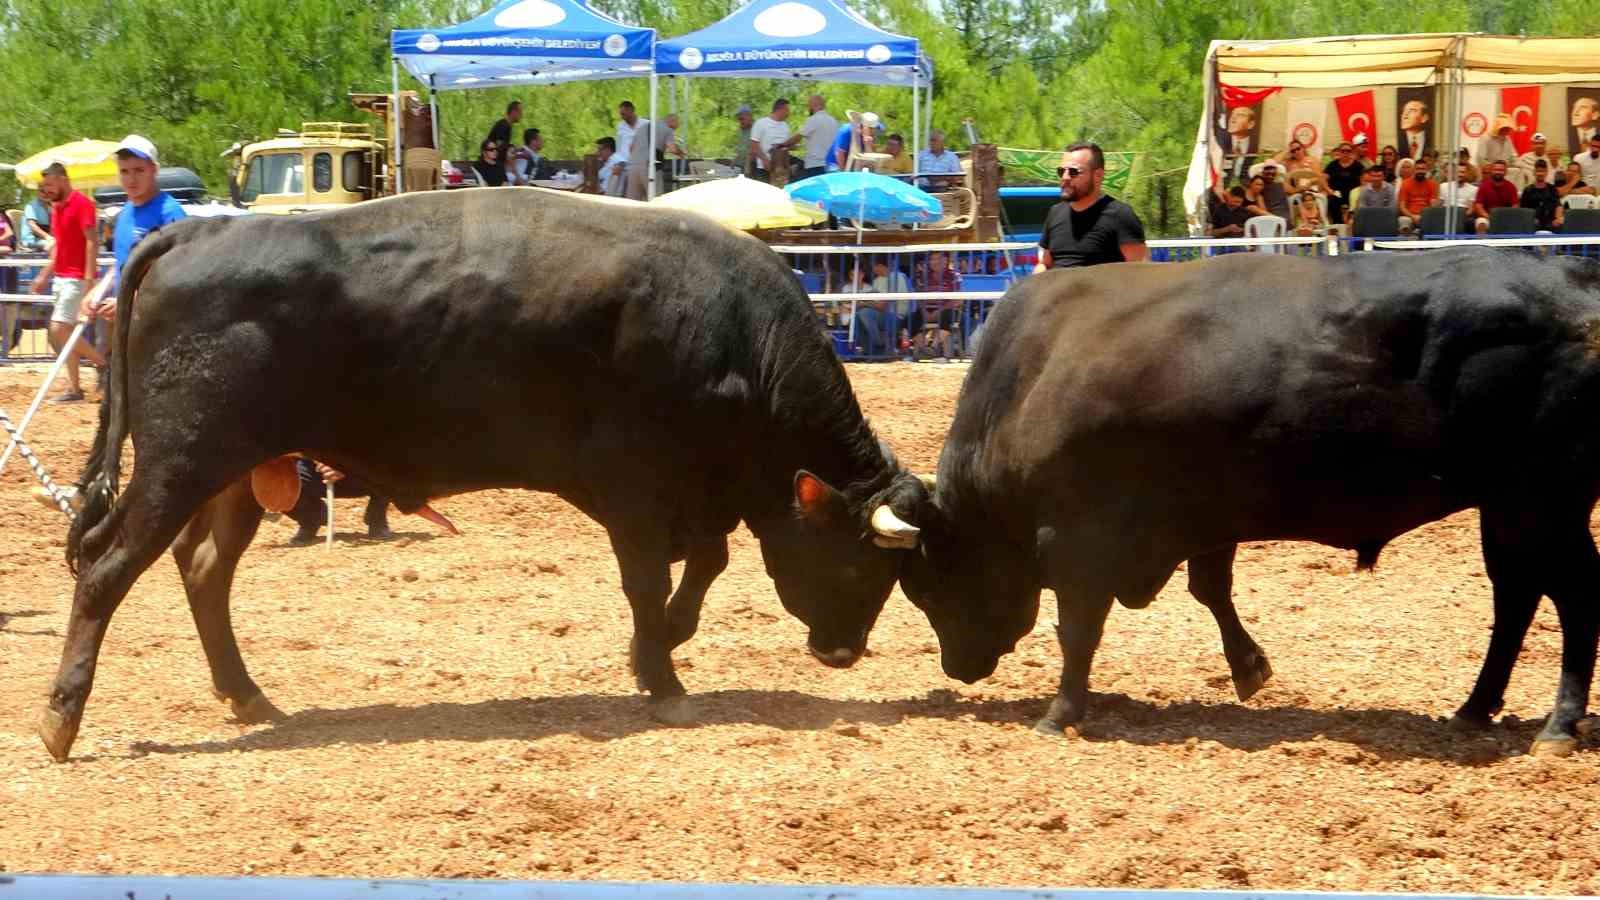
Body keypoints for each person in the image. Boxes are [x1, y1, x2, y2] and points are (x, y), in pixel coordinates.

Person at [28, 162, 106, 402]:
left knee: (59, 329)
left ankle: (103, 364)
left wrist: (90, 278)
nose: (47, 189)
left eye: (50, 184)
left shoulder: (83, 203)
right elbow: (59, 246)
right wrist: (44, 274)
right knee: (66, 333)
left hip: (76, 278)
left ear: (63, 179)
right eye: (45, 186)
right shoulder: (56, 208)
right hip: (62, 277)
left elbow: (92, 241)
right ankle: (75, 389)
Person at [100, 136, 186, 322]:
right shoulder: (124, 214)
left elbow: (173, 276)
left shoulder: (170, 213)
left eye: (139, 170)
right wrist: (96, 293)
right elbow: (121, 266)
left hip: (159, 323)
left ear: (154, 170)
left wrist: (128, 303)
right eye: (124, 171)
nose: (131, 179)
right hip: (129, 322)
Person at [1035, 141, 1147, 271]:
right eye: (1061, 171)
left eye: (1073, 172)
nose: (1065, 177)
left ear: (1098, 175)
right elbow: (1045, 264)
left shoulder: (1120, 215)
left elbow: (1141, 272)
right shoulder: (1055, 213)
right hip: (1057, 289)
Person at [286, 460, 393, 545]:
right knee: (275, 480)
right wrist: (318, 457)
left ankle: (376, 516)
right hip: (314, 472)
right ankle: (311, 518)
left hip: (361, 471)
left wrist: (343, 464)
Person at [625, 113, 684, 200]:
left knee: (633, 202)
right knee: (655, 200)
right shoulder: (668, 129)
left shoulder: (642, 127)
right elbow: (673, 149)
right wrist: (681, 153)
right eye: (674, 128)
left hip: (633, 166)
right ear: (672, 121)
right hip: (650, 166)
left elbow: (631, 148)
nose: (674, 131)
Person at [916, 251, 962, 360]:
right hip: (927, 311)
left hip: (947, 310)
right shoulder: (924, 276)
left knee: (947, 316)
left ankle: (933, 347)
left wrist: (940, 310)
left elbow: (957, 299)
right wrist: (924, 311)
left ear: (946, 260)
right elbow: (919, 298)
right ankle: (923, 350)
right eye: (932, 259)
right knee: (911, 318)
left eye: (938, 259)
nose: (934, 262)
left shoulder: (954, 276)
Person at [749, 98, 799, 183]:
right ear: (780, 109)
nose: (789, 113)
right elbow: (754, 145)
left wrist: (793, 146)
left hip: (782, 170)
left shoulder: (785, 126)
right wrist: (765, 160)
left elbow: (786, 145)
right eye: (787, 110)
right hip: (764, 168)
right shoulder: (761, 123)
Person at [796, 94, 840, 180]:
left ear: (813, 105)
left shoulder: (813, 119)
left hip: (814, 164)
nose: (808, 107)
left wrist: (783, 144)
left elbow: (798, 136)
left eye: (809, 105)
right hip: (830, 165)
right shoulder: (834, 121)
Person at [1471, 160, 1519, 234]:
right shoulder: (1483, 186)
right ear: (1491, 171)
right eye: (1496, 170)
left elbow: (1515, 205)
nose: (1498, 172)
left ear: (1506, 172)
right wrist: (1490, 217)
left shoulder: (1511, 187)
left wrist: (1507, 217)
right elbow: (1478, 206)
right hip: (1487, 217)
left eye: (1501, 170)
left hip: (1505, 217)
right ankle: (1482, 245)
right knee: (1481, 224)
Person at [1323, 141, 1364, 225]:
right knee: (1332, 200)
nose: (1345, 153)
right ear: (1339, 152)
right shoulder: (1332, 165)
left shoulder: (1358, 166)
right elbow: (1323, 179)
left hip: (1353, 194)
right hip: (1336, 193)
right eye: (1343, 151)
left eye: (1348, 151)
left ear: (1352, 152)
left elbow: (1364, 180)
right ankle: (1337, 225)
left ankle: (1354, 225)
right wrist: (1329, 190)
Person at [1519, 159, 1564, 232]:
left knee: (1561, 223)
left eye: (1542, 171)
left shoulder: (1552, 189)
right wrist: (1531, 219)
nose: (1540, 174)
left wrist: (1557, 218)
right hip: (1533, 223)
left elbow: (1558, 205)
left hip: (1551, 223)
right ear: (1534, 172)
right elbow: (1523, 210)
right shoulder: (1527, 190)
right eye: (1538, 171)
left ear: (1546, 172)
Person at [1397, 158, 1439, 225]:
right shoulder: (1405, 183)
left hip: (1426, 216)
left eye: (1422, 169)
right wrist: (1413, 216)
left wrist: (1424, 217)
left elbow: (1433, 206)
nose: (1420, 171)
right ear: (1414, 170)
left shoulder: (1432, 184)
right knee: (1403, 221)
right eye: (1418, 169)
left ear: (1426, 170)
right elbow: (1402, 207)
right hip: (1409, 216)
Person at [614, 100, 642, 188]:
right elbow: (619, 147)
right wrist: (618, 163)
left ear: (631, 110)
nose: (622, 117)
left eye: (623, 114)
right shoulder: (620, 126)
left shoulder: (645, 124)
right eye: (621, 114)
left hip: (641, 165)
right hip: (625, 166)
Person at [731, 104, 754, 176]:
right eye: (738, 119)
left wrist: (747, 166)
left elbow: (752, 149)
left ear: (749, 116)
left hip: (750, 166)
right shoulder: (741, 130)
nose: (740, 121)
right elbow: (740, 148)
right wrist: (734, 161)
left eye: (742, 119)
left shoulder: (756, 129)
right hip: (740, 165)